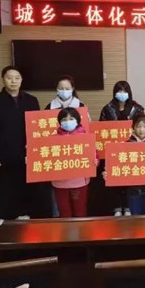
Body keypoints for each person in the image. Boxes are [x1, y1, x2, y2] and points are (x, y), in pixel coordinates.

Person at [0, 66, 41, 228]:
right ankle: (4, 220)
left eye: (17, 78)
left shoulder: (31, 101)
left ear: (21, 80)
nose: (13, 81)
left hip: (27, 153)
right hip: (5, 154)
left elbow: (37, 127)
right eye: (9, 78)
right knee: (6, 187)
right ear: (3, 80)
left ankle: (26, 216)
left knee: (27, 186)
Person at [99, 81, 145, 217]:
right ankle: (117, 207)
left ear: (129, 93)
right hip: (112, 151)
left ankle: (129, 207)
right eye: (119, 91)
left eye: (125, 91)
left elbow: (143, 127)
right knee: (114, 178)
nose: (122, 94)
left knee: (129, 178)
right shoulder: (107, 108)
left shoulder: (137, 109)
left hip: (131, 150)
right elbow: (101, 130)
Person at [44, 75, 86, 218]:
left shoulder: (81, 106)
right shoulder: (49, 107)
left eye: (67, 88)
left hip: (79, 178)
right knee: (62, 212)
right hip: (59, 179)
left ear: (72, 89)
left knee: (79, 211)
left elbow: (90, 144)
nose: (64, 91)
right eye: (61, 88)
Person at [52, 108, 95, 218]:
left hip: (79, 182)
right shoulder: (53, 139)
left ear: (77, 120)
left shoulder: (85, 137)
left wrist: (95, 161)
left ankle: (80, 230)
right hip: (60, 183)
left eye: (71, 119)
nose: (67, 122)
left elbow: (95, 155)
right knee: (64, 213)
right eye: (64, 119)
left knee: (80, 212)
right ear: (59, 122)